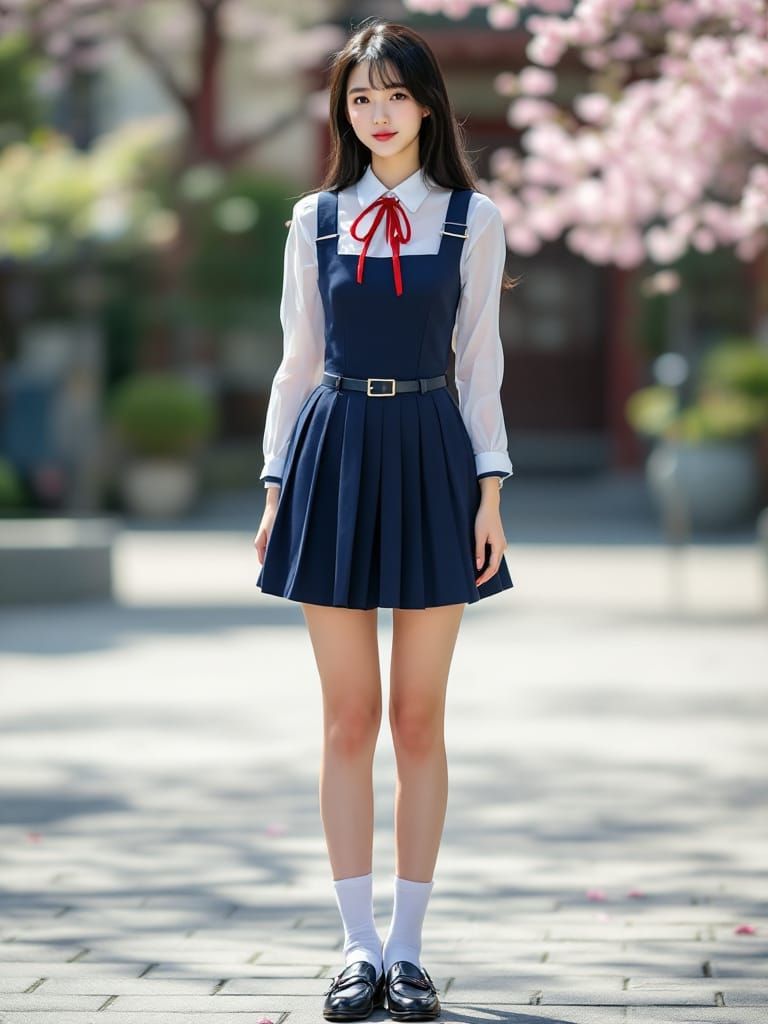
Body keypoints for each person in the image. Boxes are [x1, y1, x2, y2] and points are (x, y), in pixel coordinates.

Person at [253, 17, 517, 1021]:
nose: (378, 114)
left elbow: (481, 366)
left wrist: (490, 492)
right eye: (360, 98)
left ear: (428, 106)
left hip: (434, 454)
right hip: (331, 454)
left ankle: (409, 950)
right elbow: (294, 363)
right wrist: (276, 489)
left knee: (416, 719)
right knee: (347, 720)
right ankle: (356, 947)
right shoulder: (314, 220)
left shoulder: (472, 220)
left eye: (395, 95)